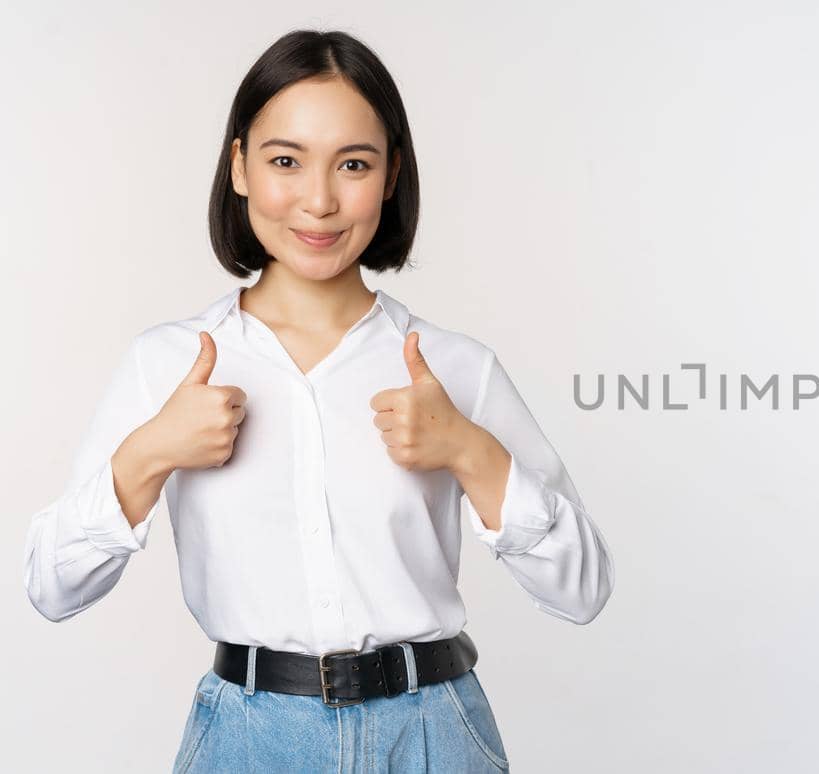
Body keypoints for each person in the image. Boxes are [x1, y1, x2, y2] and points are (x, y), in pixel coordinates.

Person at [20, 29, 615, 772]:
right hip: (245, 740)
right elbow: (51, 587)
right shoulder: (166, 365)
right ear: (239, 167)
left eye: (354, 164)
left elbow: (583, 591)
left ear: (392, 173)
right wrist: (148, 455)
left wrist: (470, 451)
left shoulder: (455, 368)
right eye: (285, 161)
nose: (320, 200)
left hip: (433, 735)